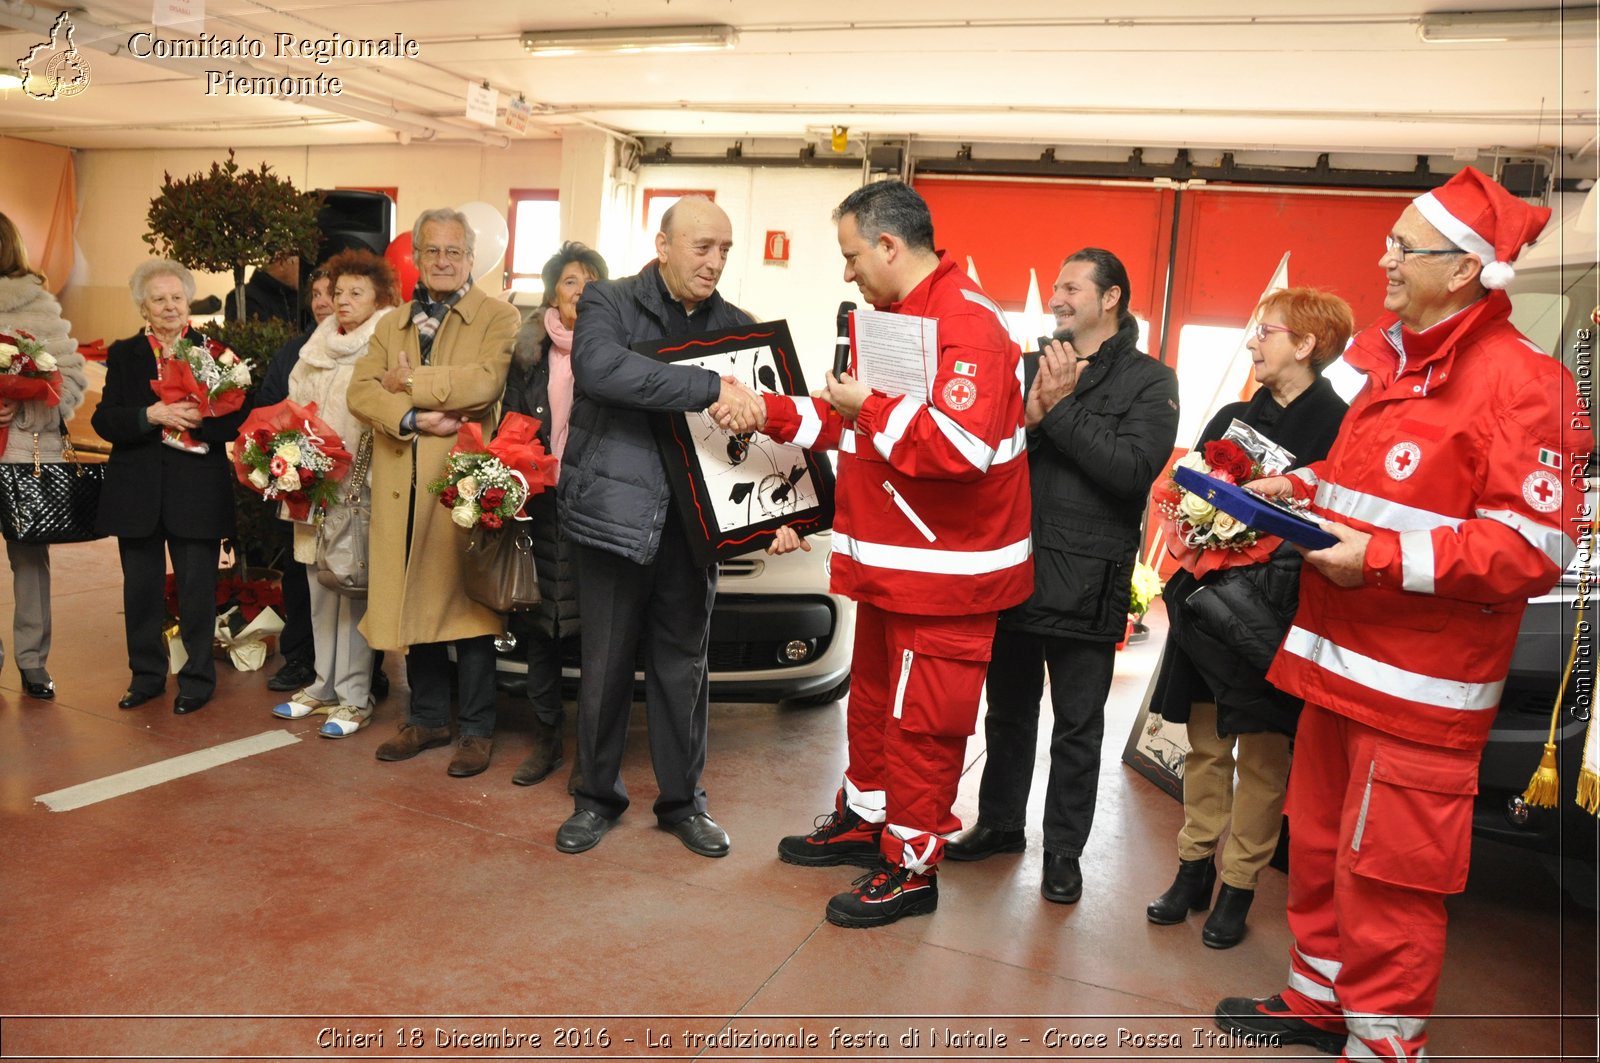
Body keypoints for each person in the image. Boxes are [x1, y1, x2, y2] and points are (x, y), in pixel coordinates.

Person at [1214, 167, 1580, 1061]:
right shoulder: (1393, 367)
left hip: (1421, 695)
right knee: (1325, 845)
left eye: (1402, 246)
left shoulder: (1522, 384)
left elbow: (1537, 547)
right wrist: (1289, 488)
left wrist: (1376, 557)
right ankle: (1317, 1002)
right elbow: (1355, 488)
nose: (1383, 258)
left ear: (1462, 271)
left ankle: (1383, 1044)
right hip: (1338, 666)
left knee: (1389, 882)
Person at [719, 181, 1034, 927]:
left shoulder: (969, 326)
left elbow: (958, 449)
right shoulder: (896, 317)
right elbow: (853, 420)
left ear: (890, 246)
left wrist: (871, 407)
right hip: (893, 568)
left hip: (947, 580)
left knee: (923, 726)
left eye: (853, 255)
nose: (848, 272)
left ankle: (911, 867)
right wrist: (768, 410)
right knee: (872, 709)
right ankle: (867, 820)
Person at [941, 248, 1178, 907]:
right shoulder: (1023, 365)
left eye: (1073, 286)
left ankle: (1065, 852)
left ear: (1112, 299)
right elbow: (987, 451)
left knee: (1078, 723)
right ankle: (999, 823)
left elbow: (1130, 471)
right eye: (1055, 285)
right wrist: (1029, 413)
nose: (1058, 297)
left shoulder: (1152, 381)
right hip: (1015, 565)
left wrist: (1058, 410)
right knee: (1007, 709)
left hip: (1087, 580)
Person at [553, 196, 760, 858]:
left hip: (693, 525)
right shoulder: (609, 303)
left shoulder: (738, 326)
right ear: (663, 244)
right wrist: (707, 386)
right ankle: (595, 799)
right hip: (615, 516)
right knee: (606, 663)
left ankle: (682, 803)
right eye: (702, 247)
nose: (715, 261)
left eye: (725, 249)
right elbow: (602, 371)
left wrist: (784, 514)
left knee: (683, 668)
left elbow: (765, 421)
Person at [1146, 288, 1351, 948]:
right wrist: (1197, 524)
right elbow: (1184, 492)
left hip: (1277, 614)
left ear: (1305, 344)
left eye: (1266, 330)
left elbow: (1340, 520)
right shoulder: (1233, 416)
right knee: (1205, 744)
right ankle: (1193, 868)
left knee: (1264, 755)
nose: (1254, 342)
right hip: (1208, 605)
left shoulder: (1343, 428)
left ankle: (1239, 884)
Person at [347, 208, 518, 777]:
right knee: (413, 606)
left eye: (454, 252)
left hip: (462, 486)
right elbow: (360, 393)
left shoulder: (499, 316)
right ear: (416, 257)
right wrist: (415, 417)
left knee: (467, 613)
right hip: (402, 484)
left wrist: (408, 384)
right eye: (432, 251)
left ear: (471, 258)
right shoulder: (390, 323)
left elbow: (484, 382)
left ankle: (475, 729)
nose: (443, 261)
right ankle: (426, 718)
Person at [93, 259, 247, 715]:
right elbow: (105, 419)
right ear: (143, 306)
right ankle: (146, 677)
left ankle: (198, 679)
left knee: (198, 591)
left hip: (196, 490)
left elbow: (238, 416)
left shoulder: (216, 352)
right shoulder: (124, 354)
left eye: (176, 297)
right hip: (136, 491)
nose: (169, 306)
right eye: (158, 299)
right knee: (140, 591)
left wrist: (204, 420)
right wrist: (151, 416)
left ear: (188, 301)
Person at [270, 250, 398, 737]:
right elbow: (291, 403)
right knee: (317, 588)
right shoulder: (316, 345)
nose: (342, 302)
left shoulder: (385, 342)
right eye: (337, 292)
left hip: (358, 487)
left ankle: (354, 695)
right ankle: (323, 684)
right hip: (311, 482)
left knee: (354, 588)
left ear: (379, 297)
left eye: (355, 293)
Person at [501, 241, 608, 787]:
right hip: (541, 507)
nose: (581, 290)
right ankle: (546, 740)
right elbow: (511, 427)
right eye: (570, 280)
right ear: (552, 292)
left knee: (595, 636)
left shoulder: (612, 353)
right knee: (542, 629)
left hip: (594, 511)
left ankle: (591, 753)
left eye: (592, 280)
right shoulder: (529, 355)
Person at [0, 212, 90, 700]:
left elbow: (71, 380)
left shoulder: (38, 305)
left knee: (29, 558)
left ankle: (32, 661)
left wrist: (23, 407)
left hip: (22, 453)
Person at [256, 269, 334, 696]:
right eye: (317, 294)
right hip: (300, 482)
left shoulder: (368, 349)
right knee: (298, 571)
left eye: (332, 293)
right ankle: (300, 657)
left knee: (351, 573)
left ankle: (364, 667)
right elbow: (266, 407)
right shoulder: (292, 353)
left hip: (348, 483)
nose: (323, 301)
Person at [226, 254, 302, 326]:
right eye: (301, 267)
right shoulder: (246, 299)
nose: (304, 273)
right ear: (282, 264)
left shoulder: (295, 297)